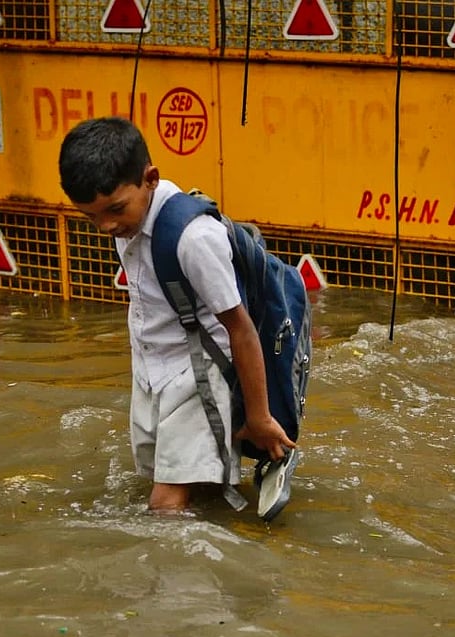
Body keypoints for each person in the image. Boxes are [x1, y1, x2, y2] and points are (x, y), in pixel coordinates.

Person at [58, 116, 294, 514]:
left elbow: (241, 328)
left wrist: (258, 417)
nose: (106, 225)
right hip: (151, 371)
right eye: (91, 217)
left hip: (197, 375)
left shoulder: (193, 238)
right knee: (170, 482)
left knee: (165, 505)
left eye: (114, 209)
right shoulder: (128, 223)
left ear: (150, 178)